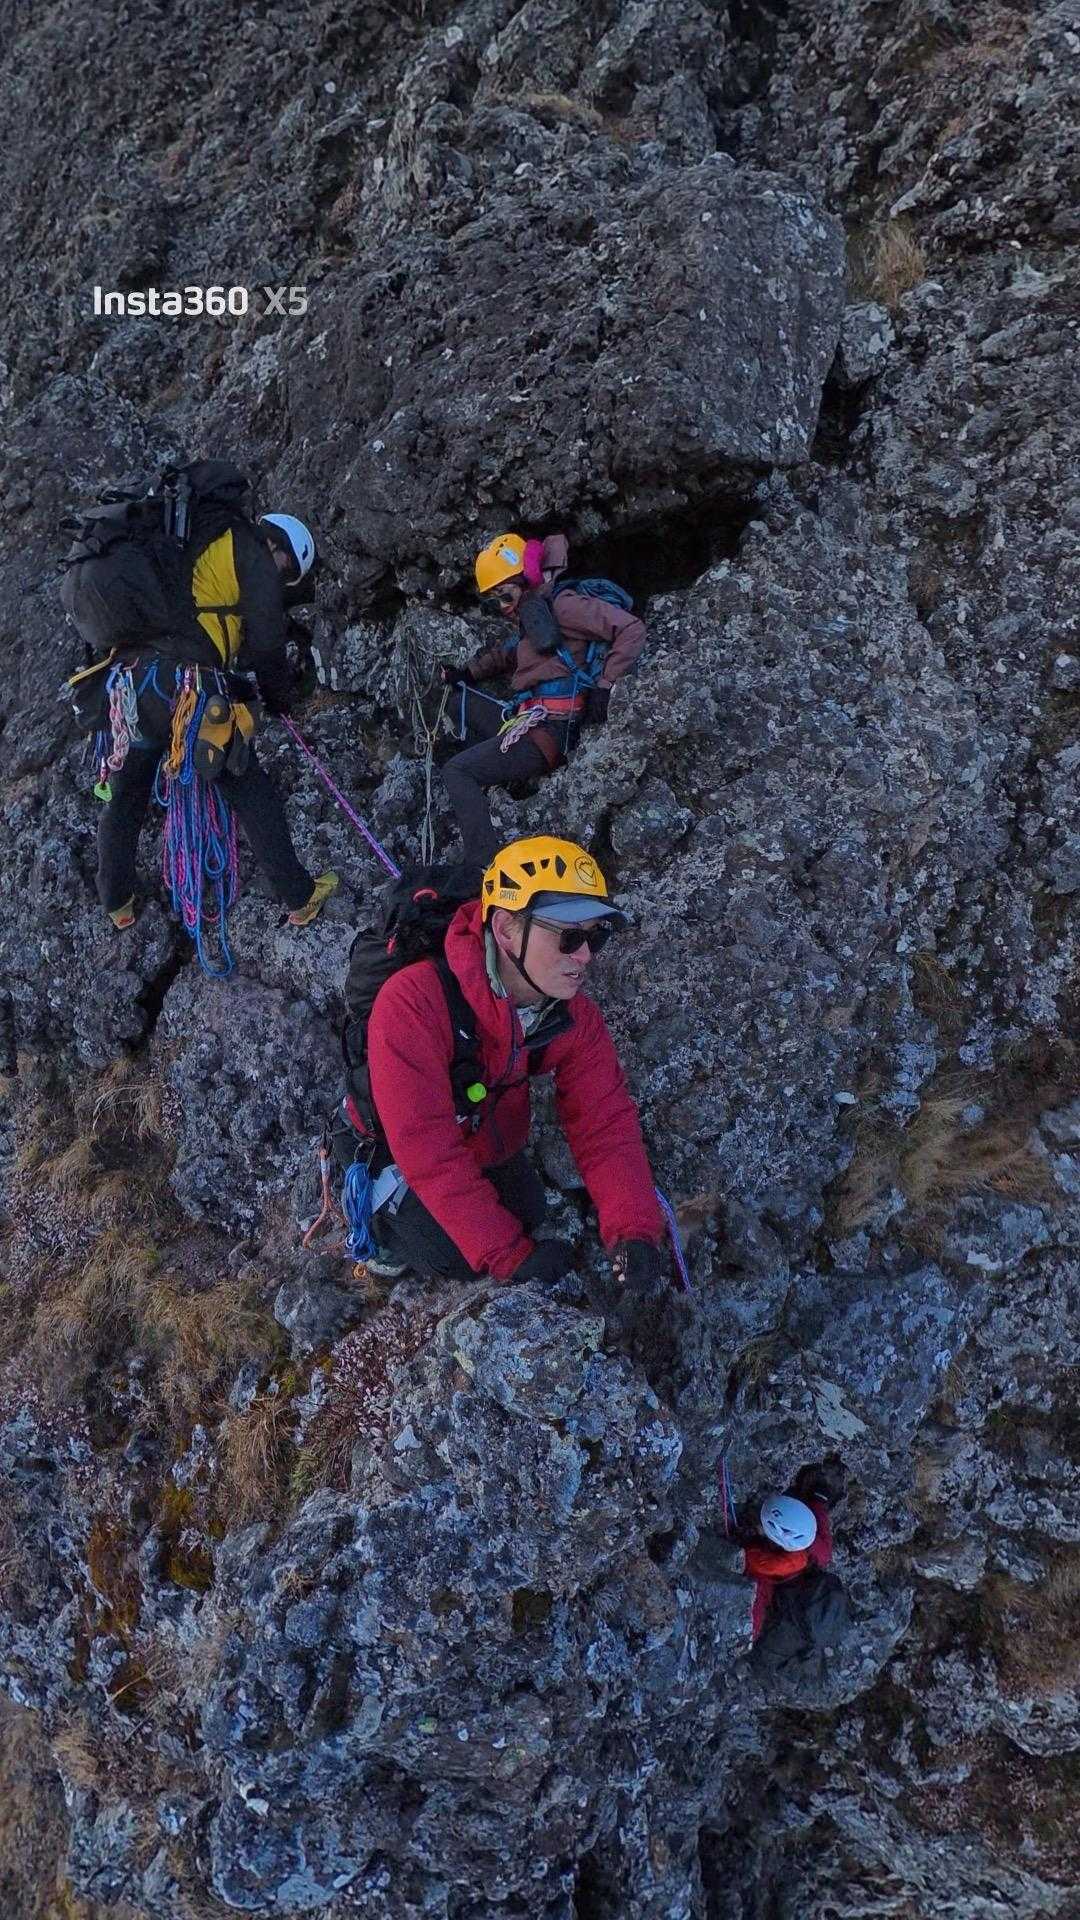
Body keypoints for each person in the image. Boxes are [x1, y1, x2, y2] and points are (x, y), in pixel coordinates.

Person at [363, 833, 674, 1369]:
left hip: (484, 1136)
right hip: (400, 1154)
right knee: (456, 1253)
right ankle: (382, 1232)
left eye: (595, 937)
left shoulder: (568, 1016)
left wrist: (635, 1230)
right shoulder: (413, 1002)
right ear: (506, 928)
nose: (584, 957)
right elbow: (427, 1152)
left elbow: (604, 1124)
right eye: (569, 937)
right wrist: (509, 1258)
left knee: (528, 1213)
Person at [96, 509, 337, 931]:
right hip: (187, 686)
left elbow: (204, 632)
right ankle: (299, 895)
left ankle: (117, 901)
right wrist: (279, 702)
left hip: (136, 682)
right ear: (277, 546)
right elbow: (267, 647)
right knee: (250, 788)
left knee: (128, 792)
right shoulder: (252, 553)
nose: (279, 577)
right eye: (286, 568)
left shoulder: (198, 540)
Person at [437, 533, 647, 867]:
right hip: (528, 721)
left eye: (505, 595)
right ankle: (494, 767)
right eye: (493, 602)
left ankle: (480, 864)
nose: (503, 608)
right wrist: (466, 674)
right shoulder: (534, 616)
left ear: (528, 577)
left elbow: (630, 629)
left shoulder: (563, 606)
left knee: (457, 771)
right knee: (458, 701)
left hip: (549, 732)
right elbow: (509, 654)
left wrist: (606, 684)